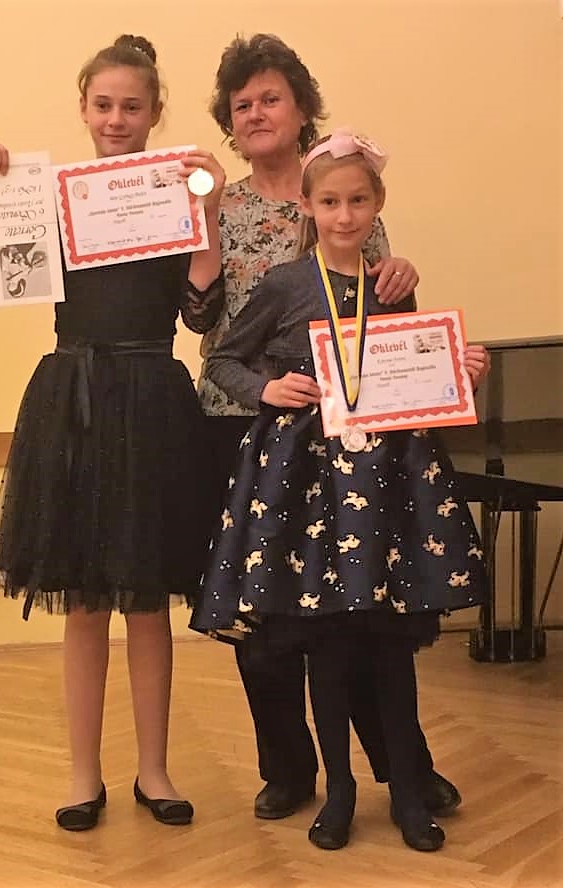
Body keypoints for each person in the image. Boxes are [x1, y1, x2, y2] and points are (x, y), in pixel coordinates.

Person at [0, 34, 225, 831]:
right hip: (73, 400)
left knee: (147, 601)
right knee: (84, 602)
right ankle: (81, 775)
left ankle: (155, 770)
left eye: (132, 106)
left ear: (155, 113)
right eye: (103, 105)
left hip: (151, 399)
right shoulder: (48, 198)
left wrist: (205, 212)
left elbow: (200, 311)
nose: (116, 118)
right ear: (83, 108)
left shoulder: (174, 194)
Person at [190, 129, 489, 851]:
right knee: (323, 639)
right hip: (304, 489)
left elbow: (412, 376)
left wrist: (461, 374)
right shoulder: (285, 284)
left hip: (386, 485)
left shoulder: (393, 285)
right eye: (330, 202)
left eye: (358, 201)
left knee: (386, 639)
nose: (345, 215)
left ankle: (409, 791)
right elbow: (222, 358)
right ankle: (340, 790)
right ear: (307, 205)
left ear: (377, 203)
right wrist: (267, 389)